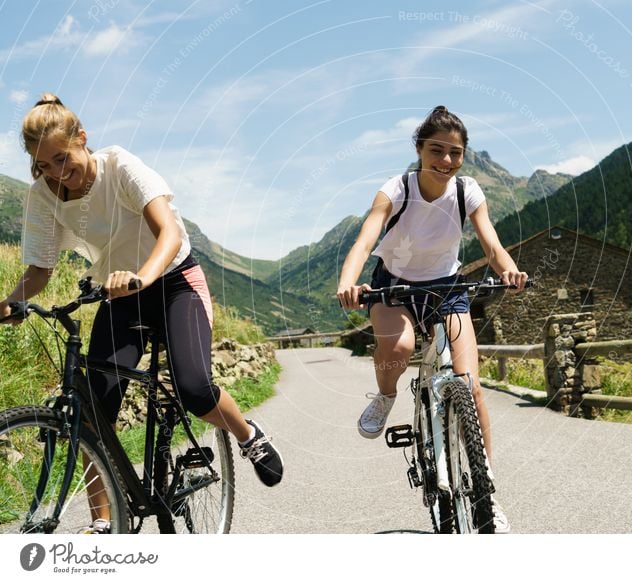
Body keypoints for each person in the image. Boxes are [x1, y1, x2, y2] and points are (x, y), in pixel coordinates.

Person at [0, 94, 283, 533]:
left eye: (62, 158)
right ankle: (102, 523)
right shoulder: (44, 195)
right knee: (93, 412)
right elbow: (40, 269)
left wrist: (143, 276)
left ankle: (248, 436)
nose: (57, 173)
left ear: (82, 139)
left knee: (193, 386)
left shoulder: (120, 166)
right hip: (119, 294)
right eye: (43, 165)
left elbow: (167, 230)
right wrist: (10, 302)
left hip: (172, 280)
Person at [337, 106, 528, 533]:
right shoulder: (397, 190)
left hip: (447, 289)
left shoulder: (467, 191)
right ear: (420, 150)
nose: (446, 160)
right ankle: (386, 396)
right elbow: (367, 238)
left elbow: (491, 244)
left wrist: (508, 270)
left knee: (471, 387)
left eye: (455, 153)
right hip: (395, 287)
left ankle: (486, 493)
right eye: (437, 150)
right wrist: (349, 282)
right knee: (400, 347)